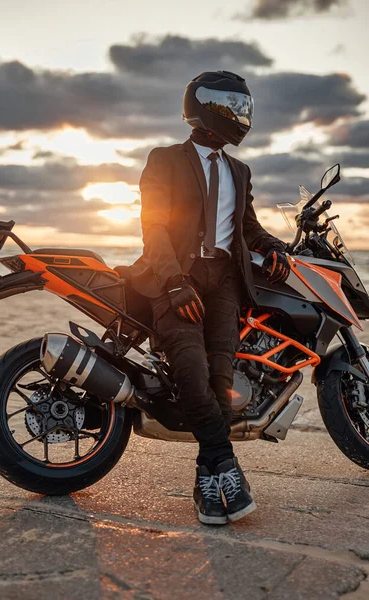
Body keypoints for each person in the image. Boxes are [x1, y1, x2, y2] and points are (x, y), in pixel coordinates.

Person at [129, 71, 290, 525]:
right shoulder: (164, 159)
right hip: (175, 278)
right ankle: (226, 466)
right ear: (206, 109)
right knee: (192, 370)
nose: (241, 117)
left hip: (224, 282)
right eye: (233, 108)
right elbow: (154, 227)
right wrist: (174, 281)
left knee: (220, 375)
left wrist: (272, 246)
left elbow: (247, 228)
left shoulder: (240, 170)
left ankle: (207, 476)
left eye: (243, 108)